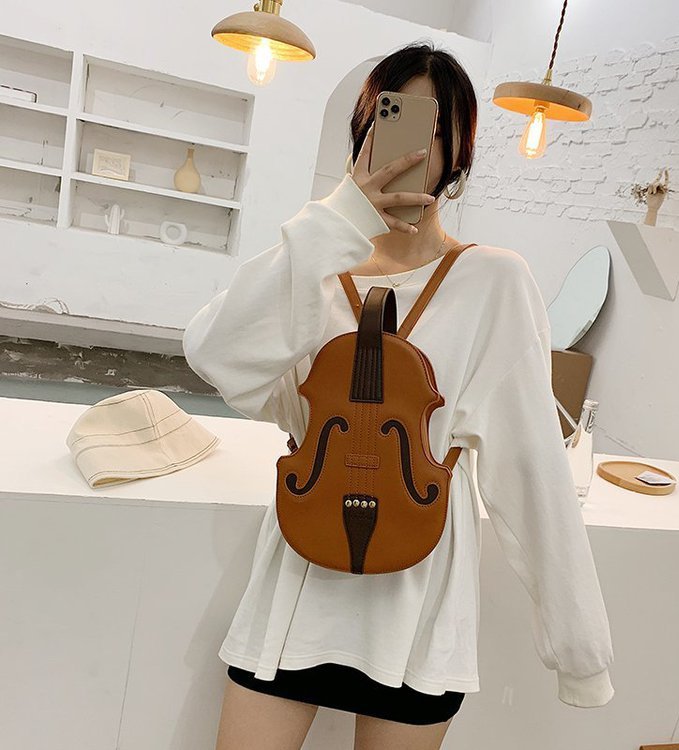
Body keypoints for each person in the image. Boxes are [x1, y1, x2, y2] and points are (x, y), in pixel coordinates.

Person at [182, 42, 615, 750]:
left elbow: (532, 468)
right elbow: (215, 354)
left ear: (459, 150)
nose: (413, 146)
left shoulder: (495, 281)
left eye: (433, 127)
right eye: (394, 119)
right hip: (296, 590)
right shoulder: (314, 264)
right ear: (364, 132)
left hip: (420, 613)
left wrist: (580, 651)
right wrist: (337, 219)